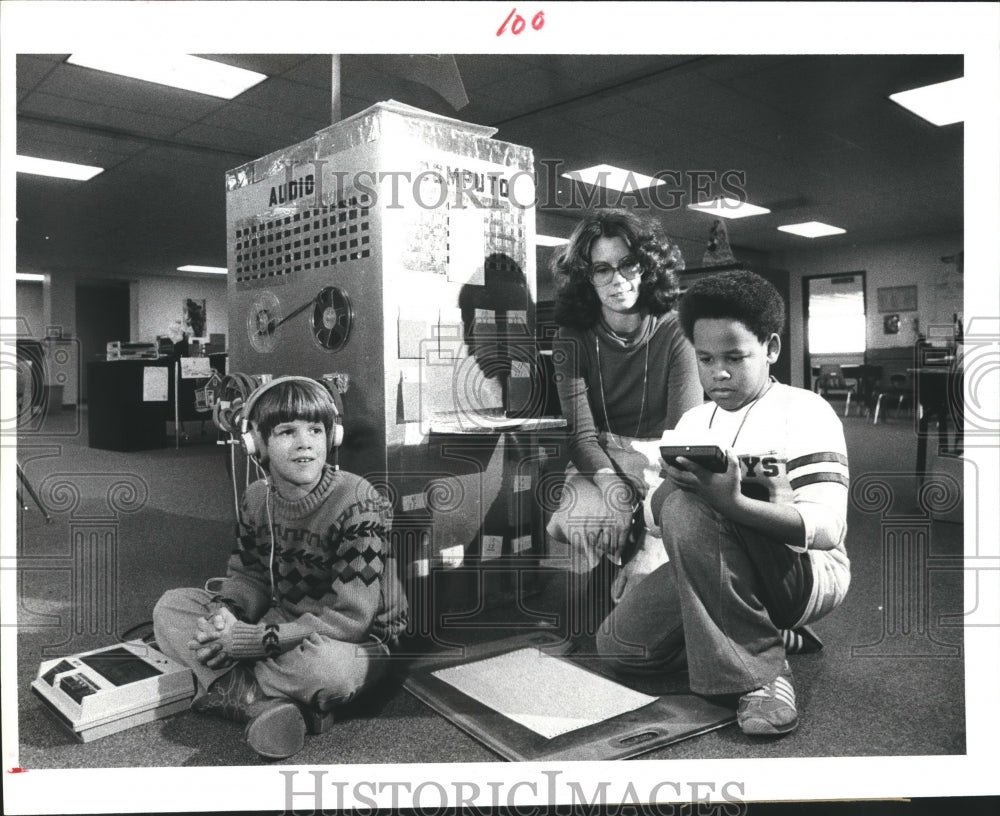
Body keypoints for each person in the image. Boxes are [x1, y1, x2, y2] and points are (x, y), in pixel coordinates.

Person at [597, 269, 850, 736]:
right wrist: (670, 486)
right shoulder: (695, 420)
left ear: (771, 349)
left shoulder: (806, 410)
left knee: (695, 509)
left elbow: (828, 529)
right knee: (619, 648)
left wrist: (731, 503)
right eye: (706, 357)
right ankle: (763, 634)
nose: (719, 372)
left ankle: (763, 675)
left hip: (804, 572)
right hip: (710, 561)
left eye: (736, 357)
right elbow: (656, 520)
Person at [153, 376, 407, 760]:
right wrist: (227, 615)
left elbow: (350, 621)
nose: (305, 441)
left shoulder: (360, 502)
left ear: (331, 438)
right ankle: (266, 704)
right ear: (257, 445)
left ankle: (231, 690)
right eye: (287, 431)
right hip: (284, 621)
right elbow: (248, 575)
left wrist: (242, 642)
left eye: (316, 430)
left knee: (327, 672)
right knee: (171, 607)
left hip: (359, 639)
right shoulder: (257, 498)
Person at [545, 210, 703, 617]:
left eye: (628, 264)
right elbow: (580, 436)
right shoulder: (570, 336)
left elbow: (682, 440)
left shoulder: (677, 330)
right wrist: (616, 494)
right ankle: (582, 609)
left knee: (649, 589)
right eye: (601, 269)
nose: (617, 281)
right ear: (586, 277)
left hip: (663, 457)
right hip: (601, 453)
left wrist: (652, 538)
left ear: (647, 267)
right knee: (574, 525)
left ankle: (644, 571)